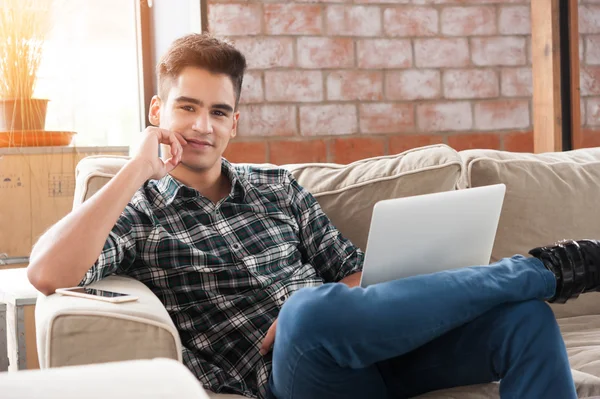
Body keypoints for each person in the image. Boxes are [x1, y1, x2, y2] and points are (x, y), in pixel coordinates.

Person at [27, 33, 600, 399]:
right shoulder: (139, 211)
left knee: (524, 321)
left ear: (235, 123)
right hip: (292, 375)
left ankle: (533, 279)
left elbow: (355, 273)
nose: (202, 125)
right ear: (158, 111)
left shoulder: (279, 189)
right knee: (306, 313)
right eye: (187, 107)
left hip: (372, 349)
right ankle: (542, 268)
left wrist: (337, 297)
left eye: (218, 112)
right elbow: (46, 273)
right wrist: (134, 168)